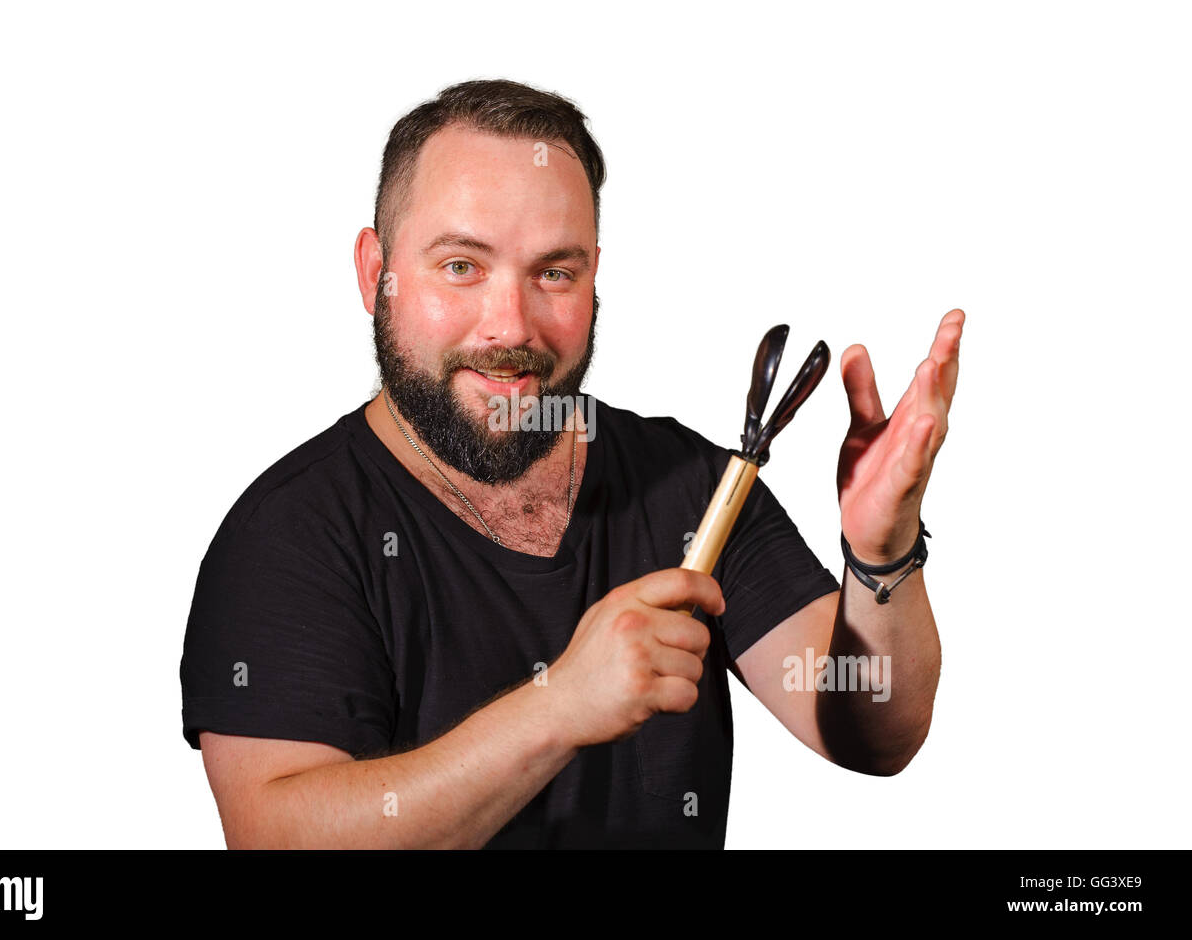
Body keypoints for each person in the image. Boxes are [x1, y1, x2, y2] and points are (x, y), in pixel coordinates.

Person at [179, 78, 963, 849]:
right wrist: (559, 706)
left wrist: (881, 553)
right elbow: (277, 836)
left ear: (594, 275)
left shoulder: (692, 484)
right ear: (372, 272)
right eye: (461, 265)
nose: (510, 324)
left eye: (554, 271)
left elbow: (873, 730)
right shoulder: (289, 534)